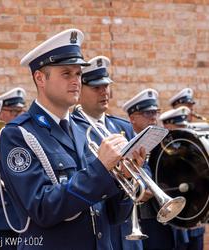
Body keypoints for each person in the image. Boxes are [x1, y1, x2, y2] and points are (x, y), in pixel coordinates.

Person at [0, 28, 146, 250]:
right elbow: (42, 208)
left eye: (78, 74)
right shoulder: (18, 135)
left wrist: (123, 179)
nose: (76, 80)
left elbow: (113, 216)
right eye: (66, 73)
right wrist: (101, 168)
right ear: (40, 78)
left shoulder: (85, 128)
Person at [72, 55, 144, 250]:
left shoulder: (122, 127)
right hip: (98, 223)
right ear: (80, 90)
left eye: (106, 86)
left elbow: (138, 175)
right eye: (96, 87)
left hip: (125, 219)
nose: (104, 91)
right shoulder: (72, 128)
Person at [123, 89, 189, 250]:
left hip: (169, 215)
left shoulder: (164, 144)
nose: (153, 117)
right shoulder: (126, 144)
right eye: (147, 113)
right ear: (132, 118)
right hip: (146, 218)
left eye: (155, 112)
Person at [0, 87, 26, 250]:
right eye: (15, 112)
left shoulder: (27, 137)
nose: (20, 116)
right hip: (3, 220)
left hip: (29, 217)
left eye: (22, 111)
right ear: (1, 113)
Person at [159, 106, 206, 250]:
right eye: (180, 126)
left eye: (185, 126)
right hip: (173, 217)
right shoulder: (163, 153)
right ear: (168, 126)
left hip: (193, 212)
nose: (185, 130)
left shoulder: (192, 148)